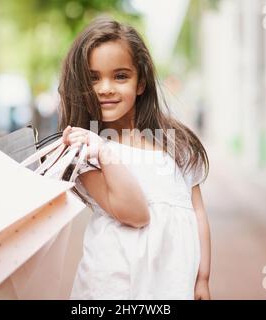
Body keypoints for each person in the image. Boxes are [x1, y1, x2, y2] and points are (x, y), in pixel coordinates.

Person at [59, 17, 211, 300]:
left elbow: (196, 211)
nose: (105, 87)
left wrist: (202, 277)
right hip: (114, 285)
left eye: (120, 76)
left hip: (172, 284)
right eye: (93, 78)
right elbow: (134, 213)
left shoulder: (176, 144)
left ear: (140, 82)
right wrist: (104, 151)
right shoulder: (87, 153)